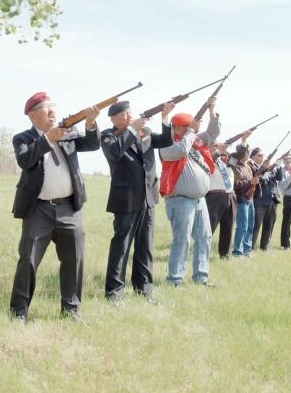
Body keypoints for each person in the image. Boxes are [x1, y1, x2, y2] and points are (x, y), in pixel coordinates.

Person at [9, 91, 100, 324]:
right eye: (44, 108)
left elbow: (91, 144)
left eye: (52, 106)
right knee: (28, 259)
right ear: (32, 116)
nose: (51, 111)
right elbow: (25, 160)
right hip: (38, 210)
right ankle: (19, 312)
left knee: (74, 260)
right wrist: (49, 138)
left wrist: (90, 123)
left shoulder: (68, 132)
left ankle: (71, 311)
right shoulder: (23, 138)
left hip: (69, 207)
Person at [100, 100, 175, 306]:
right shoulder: (108, 136)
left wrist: (165, 117)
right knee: (121, 247)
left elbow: (167, 141)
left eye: (130, 113)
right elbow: (115, 153)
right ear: (114, 119)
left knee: (145, 247)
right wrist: (132, 129)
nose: (130, 117)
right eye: (125, 114)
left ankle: (144, 290)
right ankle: (114, 293)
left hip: (148, 197)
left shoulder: (145, 132)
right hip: (126, 198)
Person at [159, 100, 220, 285]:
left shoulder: (194, 141)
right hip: (180, 200)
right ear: (176, 128)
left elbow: (212, 133)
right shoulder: (167, 144)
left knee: (205, 237)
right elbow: (181, 150)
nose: (190, 130)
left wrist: (211, 109)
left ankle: (201, 277)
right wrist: (192, 132)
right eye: (186, 127)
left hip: (199, 199)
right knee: (182, 240)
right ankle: (174, 279)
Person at [205, 141, 238, 259]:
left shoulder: (228, 161)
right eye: (216, 146)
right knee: (210, 226)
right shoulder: (208, 157)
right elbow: (209, 160)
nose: (219, 148)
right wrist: (218, 151)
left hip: (230, 195)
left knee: (228, 227)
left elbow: (239, 156)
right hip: (215, 196)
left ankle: (225, 254)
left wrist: (243, 141)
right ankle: (203, 252)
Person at [251, 148, 285, 251]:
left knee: (269, 226)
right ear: (253, 156)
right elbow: (253, 181)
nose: (262, 157)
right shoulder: (251, 167)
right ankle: (250, 247)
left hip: (272, 200)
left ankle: (265, 247)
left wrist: (279, 167)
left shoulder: (271, 168)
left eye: (263, 155)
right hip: (260, 200)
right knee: (255, 226)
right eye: (260, 155)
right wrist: (262, 176)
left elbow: (279, 178)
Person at [231, 131, 257, 257]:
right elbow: (236, 185)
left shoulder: (247, 166)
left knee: (250, 226)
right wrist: (249, 182)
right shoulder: (234, 166)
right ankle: (237, 251)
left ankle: (247, 250)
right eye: (247, 151)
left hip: (250, 198)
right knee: (242, 226)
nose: (248, 153)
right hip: (241, 198)